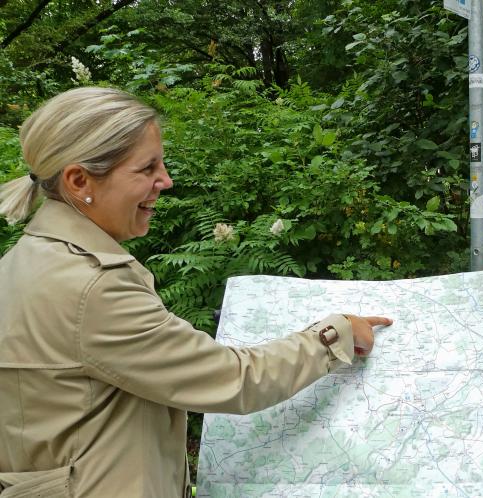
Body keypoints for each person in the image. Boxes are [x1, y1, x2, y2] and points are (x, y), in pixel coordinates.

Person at [0, 87, 392, 498]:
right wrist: (335, 336)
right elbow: (235, 379)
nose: (165, 181)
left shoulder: (21, 263)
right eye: (147, 167)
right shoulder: (92, 286)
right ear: (79, 180)